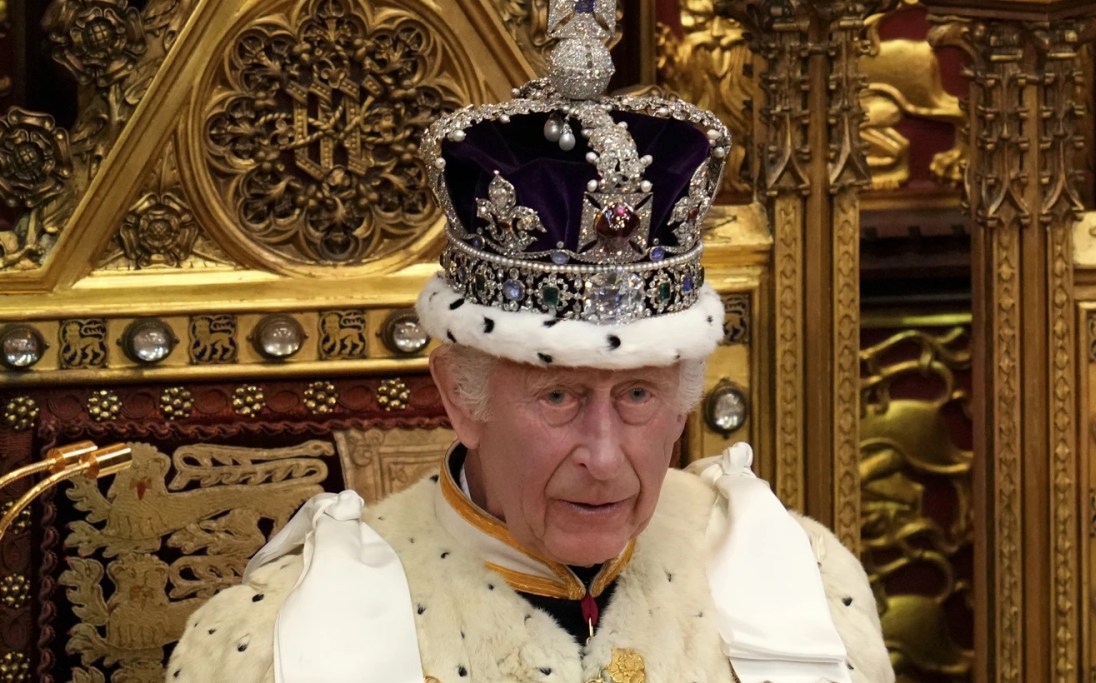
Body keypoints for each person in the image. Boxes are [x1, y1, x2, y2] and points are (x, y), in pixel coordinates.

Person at [166, 3, 893, 681]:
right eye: (559, 396)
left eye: (638, 394)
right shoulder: (281, 638)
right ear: (461, 397)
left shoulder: (800, 584)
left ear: (682, 404)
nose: (603, 458)